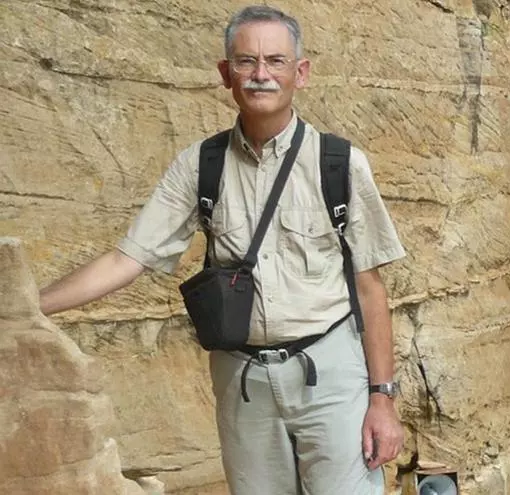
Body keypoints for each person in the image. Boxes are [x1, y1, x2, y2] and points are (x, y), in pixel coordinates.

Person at [38, 5, 405, 494]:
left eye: (275, 61)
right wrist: (27, 306)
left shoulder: (338, 163)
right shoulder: (201, 166)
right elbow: (127, 259)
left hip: (330, 373)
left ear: (301, 73)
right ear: (225, 73)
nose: (260, 74)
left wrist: (382, 399)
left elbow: (369, 288)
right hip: (242, 381)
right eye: (245, 61)